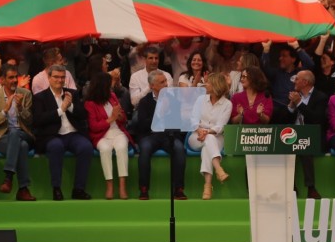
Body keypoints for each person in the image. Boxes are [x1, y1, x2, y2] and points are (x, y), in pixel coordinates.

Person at [32, 64, 93, 201]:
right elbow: (38, 120)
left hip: (73, 134)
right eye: (56, 77)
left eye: (62, 77)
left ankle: (79, 189)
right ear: (49, 78)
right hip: (52, 135)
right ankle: (56, 188)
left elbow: (83, 114)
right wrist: (61, 110)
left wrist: (70, 106)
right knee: (56, 146)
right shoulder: (40, 97)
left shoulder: (72, 93)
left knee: (86, 147)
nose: (59, 80)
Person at [0, 63, 37, 201]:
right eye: (11, 78)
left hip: (24, 134)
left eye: (16, 77)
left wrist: (20, 108)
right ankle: (23, 189)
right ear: (2, 80)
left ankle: (8, 177)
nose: (14, 80)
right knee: (22, 146)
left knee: (16, 134)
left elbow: (30, 121)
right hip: (2, 138)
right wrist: (4, 111)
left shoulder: (25, 94)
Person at [133, 70, 187, 200]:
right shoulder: (144, 101)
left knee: (179, 148)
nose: (166, 84)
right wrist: (160, 113)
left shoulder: (173, 100)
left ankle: (178, 189)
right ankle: (144, 189)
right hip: (150, 135)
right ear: (152, 86)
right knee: (144, 149)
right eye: (162, 82)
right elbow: (142, 125)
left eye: (166, 81)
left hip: (168, 135)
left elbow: (178, 122)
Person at [273, 69, 327, 199]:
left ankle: (311, 188)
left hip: (312, 137)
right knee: (283, 148)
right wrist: (291, 106)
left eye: (297, 79)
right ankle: (290, 187)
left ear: (305, 82)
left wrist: (299, 104)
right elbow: (282, 120)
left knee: (304, 147)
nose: (294, 82)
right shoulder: (294, 96)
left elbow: (316, 119)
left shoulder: (320, 97)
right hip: (293, 135)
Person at [85, 67, 134, 200]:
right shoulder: (90, 104)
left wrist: (119, 117)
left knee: (121, 147)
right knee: (105, 150)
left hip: (117, 132)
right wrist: (111, 118)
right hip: (101, 135)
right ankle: (110, 186)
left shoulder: (112, 96)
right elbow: (94, 127)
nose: (111, 86)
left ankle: (122, 186)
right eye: (109, 84)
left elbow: (123, 118)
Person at [186, 72, 233, 200]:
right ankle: (219, 170)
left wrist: (207, 132)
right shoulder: (200, 99)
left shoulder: (227, 104)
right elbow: (193, 119)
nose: (205, 85)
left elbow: (221, 126)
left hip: (216, 137)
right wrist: (199, 130)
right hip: (196, 135)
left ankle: (207, 186)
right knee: (209, 140)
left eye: (208, 83)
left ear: (216, 86)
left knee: (208, 145)